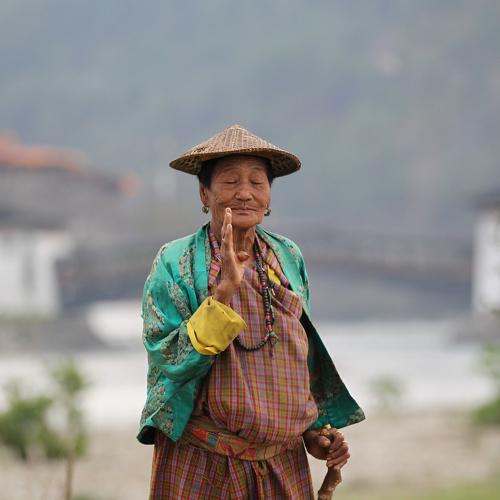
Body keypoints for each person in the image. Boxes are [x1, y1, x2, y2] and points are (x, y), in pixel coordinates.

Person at [138, 124, 365, 499]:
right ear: (204, 193)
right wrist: (225, 291)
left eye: (257, 182)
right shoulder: (176, 262)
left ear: (269, 196)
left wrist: (312, 431)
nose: (245, 193)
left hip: (282, 464)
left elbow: (298, 353)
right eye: (230, 182)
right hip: (201, 460)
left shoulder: (287, 257)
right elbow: (168, 357)